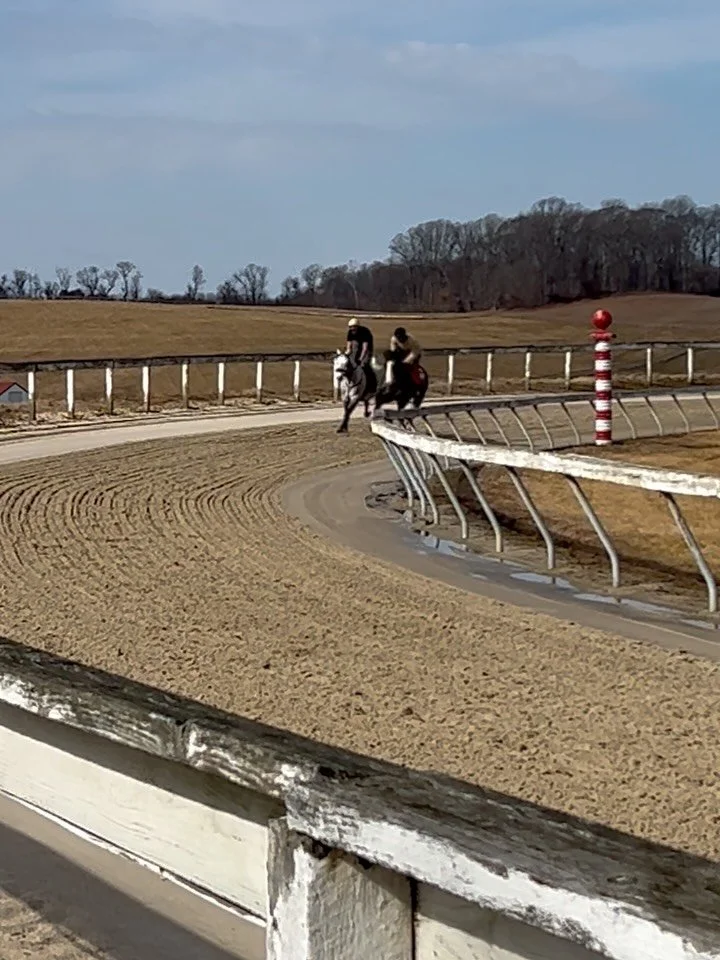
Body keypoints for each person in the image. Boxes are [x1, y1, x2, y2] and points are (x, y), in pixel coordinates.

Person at [345, 317, 377, 392]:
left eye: (353, 328)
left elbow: (365, 348)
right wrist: (346, 355)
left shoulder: (365, 332)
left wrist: (360, 359)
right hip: (356, 349)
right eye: (350, 327)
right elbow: (349, 347)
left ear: (357, 327)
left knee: (364, 365)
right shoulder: (350, 333)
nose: (352, 329)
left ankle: (371, 385)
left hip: (366, 350)